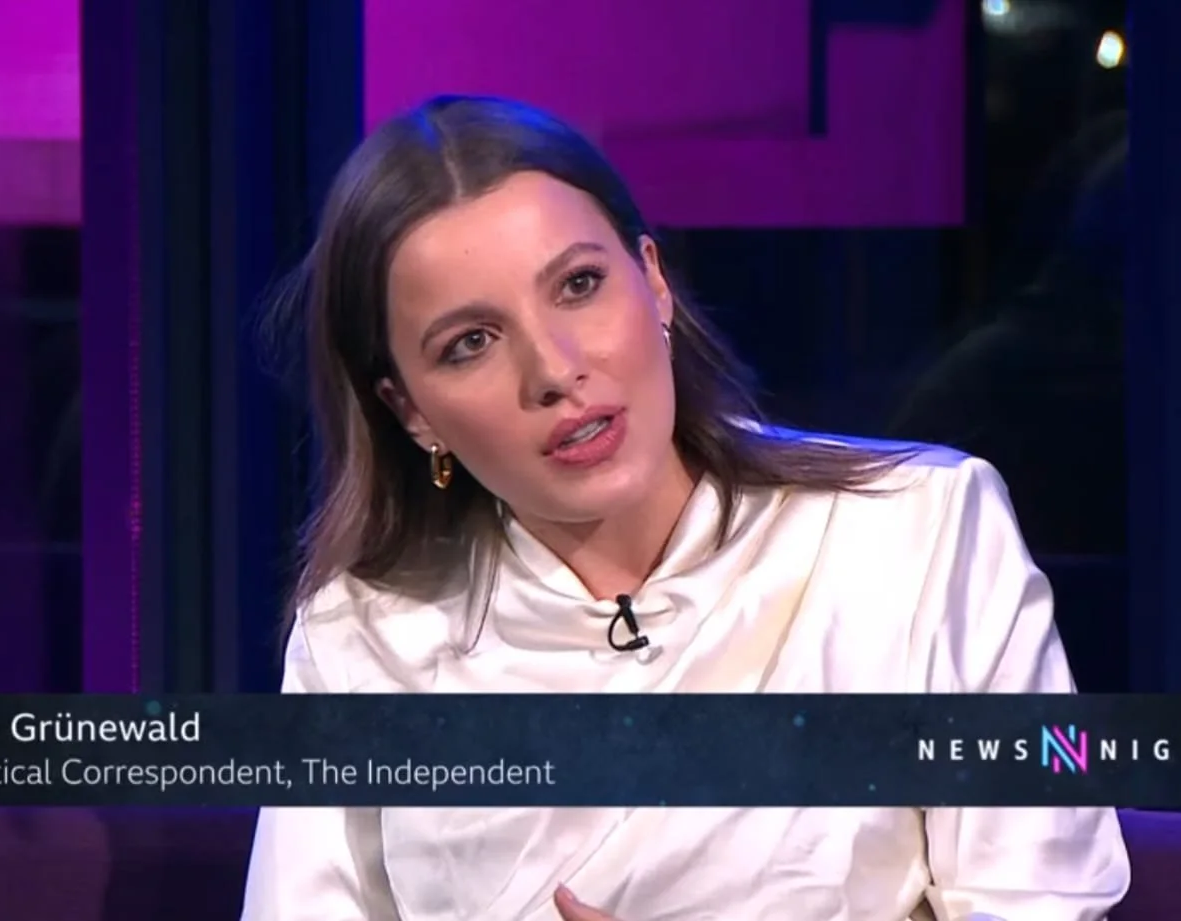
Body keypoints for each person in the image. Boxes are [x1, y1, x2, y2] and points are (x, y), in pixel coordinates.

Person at [243, 95, 1130, 921]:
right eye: (471, 342)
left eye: (578, 285)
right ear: (410, 410)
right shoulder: (361, 634)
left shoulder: (922, 528)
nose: (554, 369)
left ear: (653, 281)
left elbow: (1042, 900)